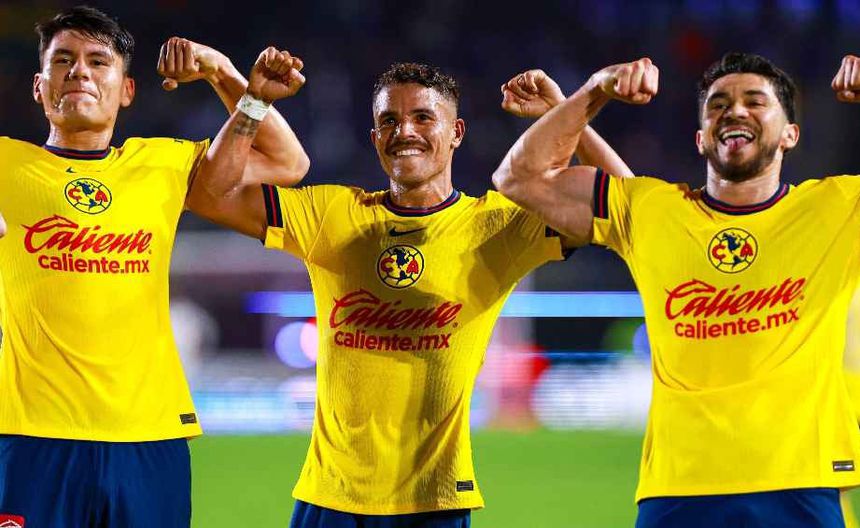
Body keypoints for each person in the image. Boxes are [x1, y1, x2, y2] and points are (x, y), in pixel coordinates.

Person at [188, 60, 631, 527]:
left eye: (423, 117)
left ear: (456, 132)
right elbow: (209, 196)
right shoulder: (331, 215)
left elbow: (628, 207)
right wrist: (249, 96)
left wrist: (565, 112)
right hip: (330, 499)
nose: (404, 131)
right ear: (374, 136)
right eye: (389, 120)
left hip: (434, 502)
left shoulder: (497, 226)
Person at [493, 51, 860, 527]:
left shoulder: (839, 207)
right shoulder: (655, 211)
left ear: (791, 133)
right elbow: (518, 178)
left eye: (755, 101)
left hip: (801, 482)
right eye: (718, 105)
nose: (735, 111)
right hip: (679, 488)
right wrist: (592, 92)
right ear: (700, 137)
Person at [0, 6, 307, 527]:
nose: (79, 72)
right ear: (38, 85)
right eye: (63, 60)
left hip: (150, 436)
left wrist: (224, 73)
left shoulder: (163, 165)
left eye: (98, 61)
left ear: (127, 90)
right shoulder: (6, 163)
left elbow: (288, 164)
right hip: (31, 434)